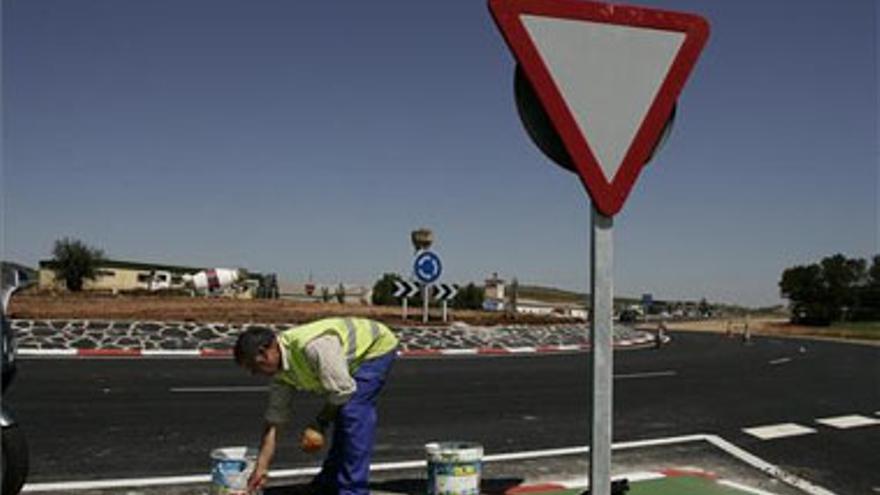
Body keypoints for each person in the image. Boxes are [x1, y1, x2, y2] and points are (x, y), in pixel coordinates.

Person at [234, 317, 399, 494]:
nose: (253, 374)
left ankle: (353, 490)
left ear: (265, 353)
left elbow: (342, 391)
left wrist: (320, 422)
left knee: (353, 413)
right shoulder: (279, 374)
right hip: (344, 359)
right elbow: (274, 421)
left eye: (253, 367)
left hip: (374, 347)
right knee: (343, 414)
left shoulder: (313, 347)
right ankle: (329, 481)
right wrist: (261, 468)